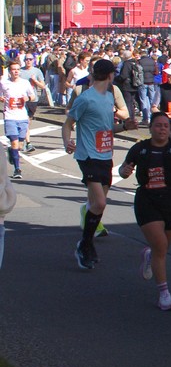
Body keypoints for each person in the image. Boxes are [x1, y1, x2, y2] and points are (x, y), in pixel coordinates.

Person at [118, 113, 171, 310]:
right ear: (151, 128)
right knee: (161, 246)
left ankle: (149, 255)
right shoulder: (140, 148)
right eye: (158, 125)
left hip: (170, 199)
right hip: (147, 199)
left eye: (165, 126)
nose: (162, 129)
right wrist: (124, 171)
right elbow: (123, 169)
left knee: (161, 249)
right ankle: (164, 294)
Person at [62, 58, 130, 270]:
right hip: (88, 155)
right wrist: (67, 142)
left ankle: (86, 243)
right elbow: (68, 124)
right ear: (110, 76)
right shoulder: (85, 98)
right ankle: (85, 245)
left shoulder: (109, 97)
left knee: (96, 205)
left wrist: (125, 127)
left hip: (105, 155)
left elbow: (108, 128)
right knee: (99, 203)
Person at [1, 60, 37, 179]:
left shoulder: (25, 83)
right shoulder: (3, 83)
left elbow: (33, 96)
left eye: (17, 69)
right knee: (14, 142)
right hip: (10, 116)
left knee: (20, 145)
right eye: (13, 69)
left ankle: (12, 151)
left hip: (22, 116)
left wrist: (27, 98)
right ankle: (17, 169)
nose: (16, 71)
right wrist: (1, 98)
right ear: (9, 71)